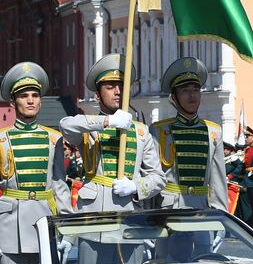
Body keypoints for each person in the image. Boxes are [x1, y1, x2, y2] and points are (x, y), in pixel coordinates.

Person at [59, 54, 162, 213]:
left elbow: (158, 178)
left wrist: (136, 186)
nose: (118, 91)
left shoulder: (141, 132)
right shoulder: (89, 129)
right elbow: (66, 125)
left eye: (122, 86)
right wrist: (107, 121)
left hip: (128, 213)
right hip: (93, 213)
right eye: (110, 87)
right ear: (97, 95)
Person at [0, 62, 69, 264]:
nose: (30, 100)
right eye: (23, 96)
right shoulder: (2, 139)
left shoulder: (53, 138)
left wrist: (67, 231)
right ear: (13, 102)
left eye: (35, 95)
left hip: (44, 223)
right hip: (10, 228)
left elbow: (60, 187)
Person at [151, 57, 229, 212]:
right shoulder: (158, 131)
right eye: (185, 90)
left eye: (195, 90)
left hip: (201, 207)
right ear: (174, 98)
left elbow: (218, 182)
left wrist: (220, 217)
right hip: (169, 208)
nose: (191, 95)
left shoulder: (213, 132)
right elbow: (152, 176)